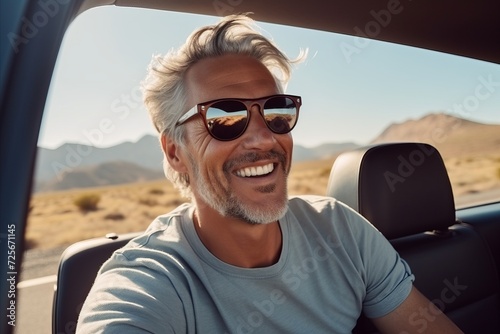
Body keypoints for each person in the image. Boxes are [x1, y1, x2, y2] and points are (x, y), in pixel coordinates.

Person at [77, 14, 462, 333]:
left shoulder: (342, 232)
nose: (263, 138)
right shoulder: (151, 284)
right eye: (225, 117)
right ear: (176, 153)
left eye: (276, 111)